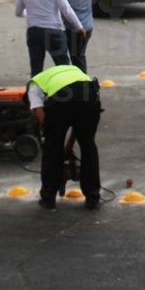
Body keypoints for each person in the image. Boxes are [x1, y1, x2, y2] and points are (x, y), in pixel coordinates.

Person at [29, 64, 102, 211]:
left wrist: (54, 138)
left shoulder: (33, 85)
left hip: (62, 97)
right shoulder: (71, 70)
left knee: (51, 148)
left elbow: (37, 110)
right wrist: (68, 146)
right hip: (89, 93)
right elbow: (78, 123)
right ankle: (93, 197)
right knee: (88, 146)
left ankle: (48, 198)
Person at [15, 0, 85, 76]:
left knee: (36, 67)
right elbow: (66, 10)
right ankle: (65, 90)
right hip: (54, 32)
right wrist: (79, 27)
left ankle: (36, 92)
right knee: (63, 66)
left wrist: (30, 13)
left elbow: (18, 12)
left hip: (34, 32)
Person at [60, 0, 112, 73]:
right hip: (88, 27)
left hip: (73, 29)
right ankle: (81, 80)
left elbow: (63, 10)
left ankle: (82, 82)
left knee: (76, 57)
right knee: (80, 54)